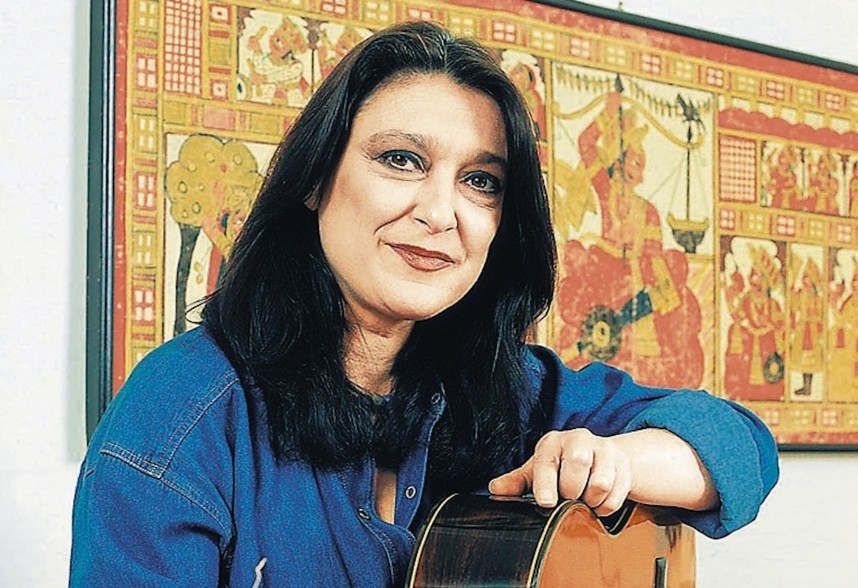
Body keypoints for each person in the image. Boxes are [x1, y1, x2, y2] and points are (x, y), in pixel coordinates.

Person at [70, 21, 779, 587]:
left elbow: (741, 446)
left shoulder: (513, 388)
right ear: (315, 179)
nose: (441, 213)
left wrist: (617, 461)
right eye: (401, 160)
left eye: (480, 181)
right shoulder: (181, 414)